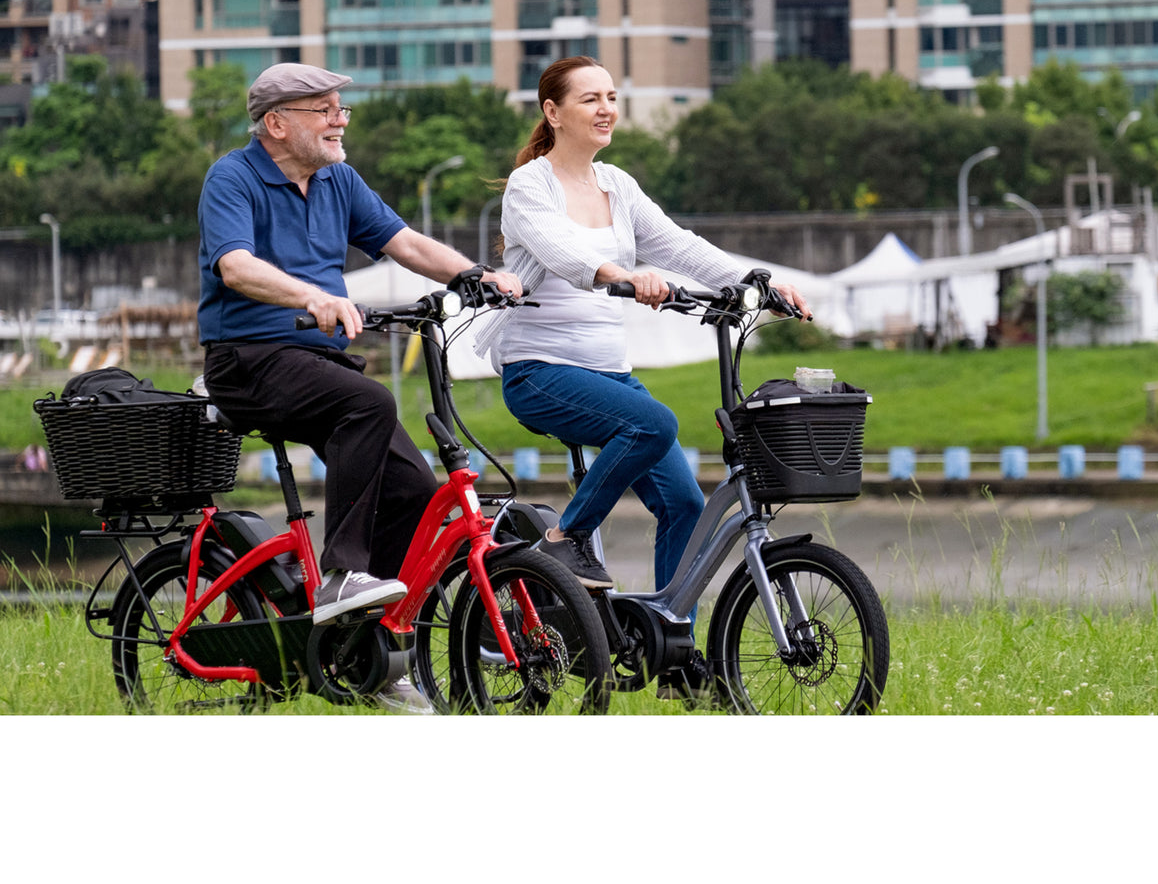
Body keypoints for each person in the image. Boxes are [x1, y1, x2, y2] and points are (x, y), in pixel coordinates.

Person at [471, 55, 810, 699]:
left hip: (609, 373)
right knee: (655, 423)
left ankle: (669, 651)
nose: (606, 109)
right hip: (539, 370)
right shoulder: (530, 188)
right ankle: (563, 541)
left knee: (684, 502)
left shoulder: (617, 186)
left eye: (612, 97)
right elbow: (562, 253)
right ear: (552, 112)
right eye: (589, 99)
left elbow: (678, 245)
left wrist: (756, 282)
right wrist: (619, 275)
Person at [197, 62, 522, 711]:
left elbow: (402, 241)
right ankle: (341, 575)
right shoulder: (233, 177)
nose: (340, 118)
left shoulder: (338, 180)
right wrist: (312, 295)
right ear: (276, 123)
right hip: (247, 360)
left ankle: (369, 652)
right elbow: (234, 265)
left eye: (339, 107)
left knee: (414, 493)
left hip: (317, 367)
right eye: (323, 108)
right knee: (369, 402)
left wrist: (475, 276)